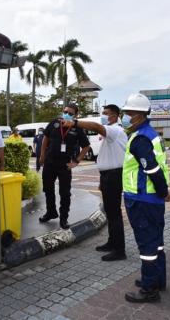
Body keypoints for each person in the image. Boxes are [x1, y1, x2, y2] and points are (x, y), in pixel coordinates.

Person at [121, 93, 170, 303]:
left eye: (129, 113)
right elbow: (157, 167)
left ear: (140, 115)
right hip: (151, 199)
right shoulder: (151, 133)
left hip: (142, 199)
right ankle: (157, 279)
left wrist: (163, 191)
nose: (126, 117)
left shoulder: (140, 138)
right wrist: (163, 192)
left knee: (147, 246)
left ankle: (149, 289)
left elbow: (151, 169)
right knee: (156, 242)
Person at [62, 104, 127, 261]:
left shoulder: (114, 130)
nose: (103, 115)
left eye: (106, 113)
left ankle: (119, 250)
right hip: (108, 176)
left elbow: (97, 126)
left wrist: (75, 122)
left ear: (115, 116)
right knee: (111, 213)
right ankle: (112, 243)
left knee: (114, 214)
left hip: (113, 176)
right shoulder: (113, 132)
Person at [39, 104, 90, 229]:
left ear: (75, 116)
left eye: (70, 113)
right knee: (48, 189)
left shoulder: (77, 128)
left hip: (65, 165)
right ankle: (51, 212)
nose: (67, 114)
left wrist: (76, 161)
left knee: (65, 193)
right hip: (50, 163)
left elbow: (86, 146)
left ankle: (64, 218)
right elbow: (45, 138)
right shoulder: (54, 123)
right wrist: (42, 155)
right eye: (65, 111)